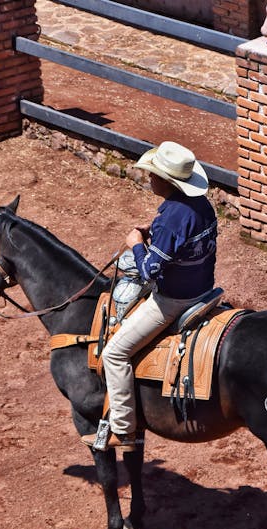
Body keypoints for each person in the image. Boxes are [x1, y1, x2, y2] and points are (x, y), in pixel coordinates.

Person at [100, 141, 218, 448]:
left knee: (114, 353)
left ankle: (122, 427)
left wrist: (136, 243)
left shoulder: (170, 218)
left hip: (174, 301)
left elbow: (150, 271)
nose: (148, 179)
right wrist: (155, 235)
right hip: (205, 289)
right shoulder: (202, 206)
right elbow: (183, 243)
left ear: (167, 181)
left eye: (152, 175)